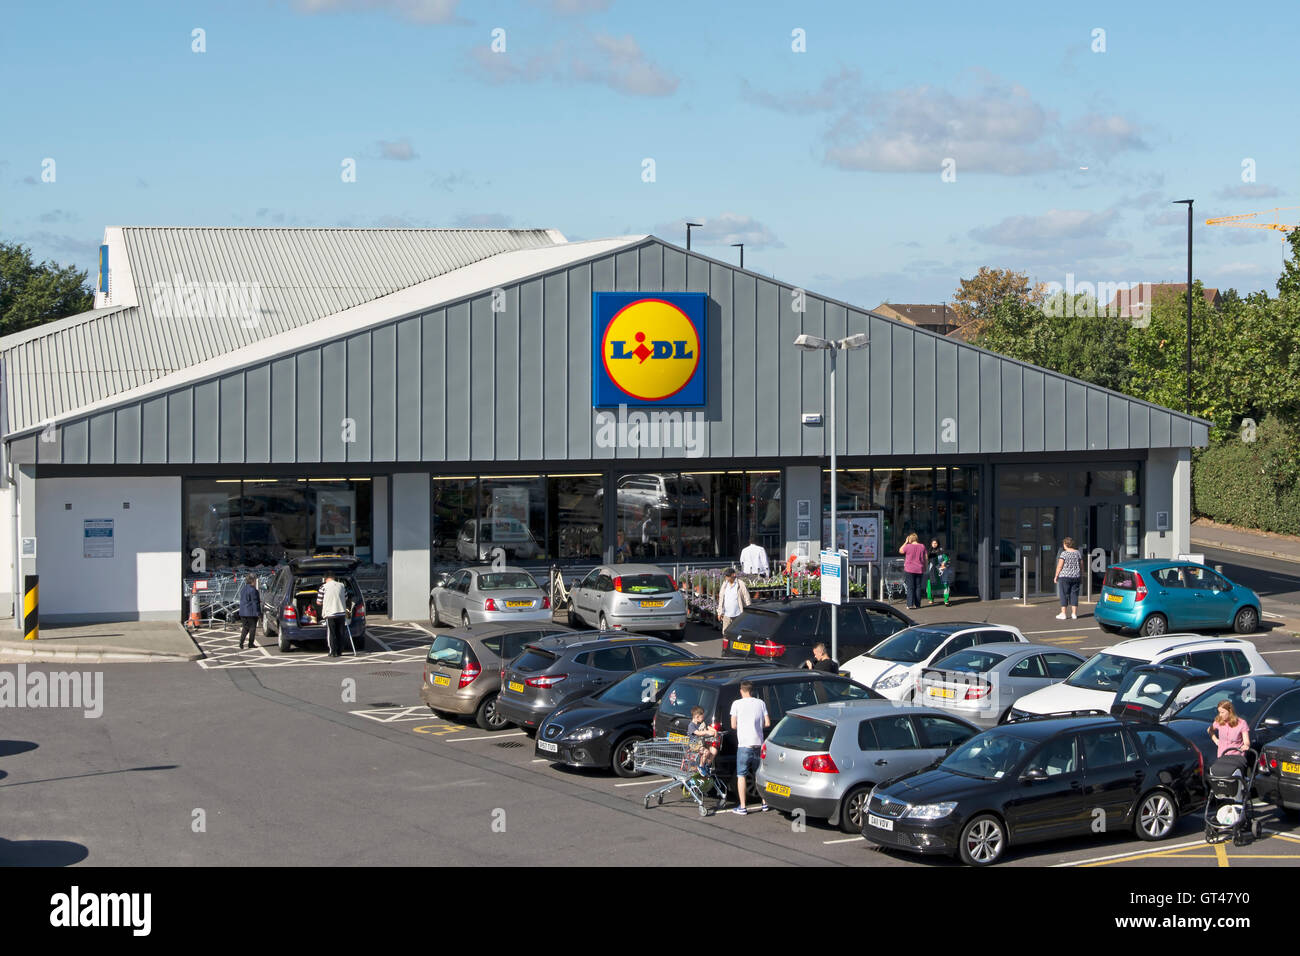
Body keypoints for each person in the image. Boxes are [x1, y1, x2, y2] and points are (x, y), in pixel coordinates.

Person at [729, 680, 771, 815]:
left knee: (741, 775)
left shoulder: (736, 704)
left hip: (744, 745)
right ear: (752, 691)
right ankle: (764, 803)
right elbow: (767, 723)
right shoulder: (761, 703)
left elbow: (733, 725)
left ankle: (742, 806)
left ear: (741, 691)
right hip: (758, 744)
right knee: (759, 773)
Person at [1209, 699, 1251, 767]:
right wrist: (1216, 740)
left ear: (1230, 711)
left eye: (1222, 712)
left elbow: (1246, 741)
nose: (1220, 715)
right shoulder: (1219, 721)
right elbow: (1210, 730)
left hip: (1236, 758)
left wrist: (1246, 745)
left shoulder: (1241, 723)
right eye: (1219, 712)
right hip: (1222, 757)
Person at [319, 572, 349, 657]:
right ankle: (340, 651)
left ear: (325, 578)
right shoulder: (342, 586)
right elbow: (346, 597)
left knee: (331, 633)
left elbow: (318, 602)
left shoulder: (323, 587)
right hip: (341, 613)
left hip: (330, 613)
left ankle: (333, 652)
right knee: (340, 632)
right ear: (334, 577)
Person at [1053, 537, 1083, 620]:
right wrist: (1081, 574)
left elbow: (1059, 566)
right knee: (1074, 595)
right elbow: (1081, 565)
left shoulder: (1064, 554)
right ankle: (1074, 614)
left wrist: (1056, 576)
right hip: (1076, 577)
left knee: (1064, 594)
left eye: (1063, 544)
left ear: (1066, 544)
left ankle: (1063, 613)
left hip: (1065, 577)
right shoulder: (1077, 553)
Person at [718, 567, 751, 635]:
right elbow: (721, 598)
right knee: (725, 633)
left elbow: (746, 597)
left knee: (738, 633)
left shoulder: (740, 584)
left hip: (738, 614)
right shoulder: (725, 584)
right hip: (726, 614)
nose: (726, 578)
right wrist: (719, 612)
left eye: (727, 576)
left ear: (733, 575)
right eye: (725, 576)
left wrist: (749, 612)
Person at [899, 533, 928, 610]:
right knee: (918, 587)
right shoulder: (922, 546)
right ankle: (918, 604)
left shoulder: (908, 546)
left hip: (909, 569)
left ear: (910, 539)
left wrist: (905, 542)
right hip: (919, 568)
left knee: (910, 587)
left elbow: (900, 550)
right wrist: (925, 566)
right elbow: (926, 558)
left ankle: (910, 604)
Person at [687, 705, 718, 775]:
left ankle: (706, 765)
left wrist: (714, 731)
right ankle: (700, 767)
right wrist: (706, 732)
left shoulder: (701, 723)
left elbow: (708, 727)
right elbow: (698, 733)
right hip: (694, 745)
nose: (703, 718)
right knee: (706, 752)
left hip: (701, 744)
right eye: (702, 717)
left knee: (714, 750)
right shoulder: (691, 726)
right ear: (697, 717)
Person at [238, 574, 260, 650]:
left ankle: (241, 643)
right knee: (252, 628)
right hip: (251, 612)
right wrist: (257, 613)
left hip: (243, 612)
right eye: (255, 580)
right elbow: (255, 602)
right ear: (252, 581)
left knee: (245, 628)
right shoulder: (253, 590)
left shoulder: (243, 588)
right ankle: (250, 643)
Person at [925, 539, 945, 605]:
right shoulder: (929, 551)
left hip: (939, 570)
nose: (934, 544)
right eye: (933, 543)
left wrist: (943, 565)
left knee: (942, 584)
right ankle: (931, 599)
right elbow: (926, 559)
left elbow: (945, 559)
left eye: (935, 543)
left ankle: (946, 599)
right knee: (930, 584)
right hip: (931, 570)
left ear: (938, 543)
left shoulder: (941, 550)